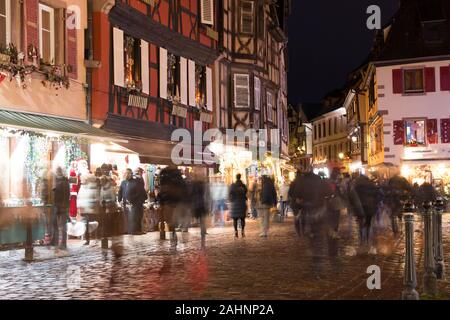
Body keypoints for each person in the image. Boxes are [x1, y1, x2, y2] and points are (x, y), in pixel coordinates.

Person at [52, 167, 70, 250]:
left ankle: (61, 243)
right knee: (61, 225)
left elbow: (62, 195)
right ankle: (61, 243)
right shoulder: (64, 182)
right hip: (62, 206)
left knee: (61, 226)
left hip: (60, 206)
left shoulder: (60, 182)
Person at [229, 174, 248, 238]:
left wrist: (231, 200)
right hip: (242, 203)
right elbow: (246, 192)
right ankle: (243, 232)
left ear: (236, 178)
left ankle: (236, 232)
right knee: (242, 219)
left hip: (234, 204)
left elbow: (229, 194)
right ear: (240, 177)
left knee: (235, 219)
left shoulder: (232, 186)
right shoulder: (243, 185)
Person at [191, 174, 208, 240]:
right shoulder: (203, 185)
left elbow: (191, 194)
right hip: (201, 204)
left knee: (199, 220)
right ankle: (203, 233)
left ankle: (202, 233)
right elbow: (206, 195)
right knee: (202, 220)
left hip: (197, 205)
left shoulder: (194, 185)